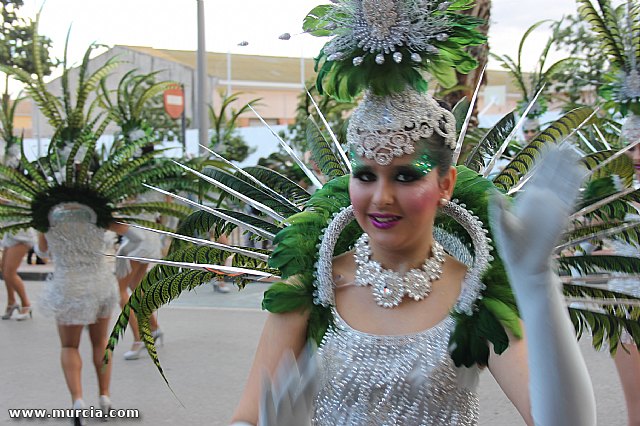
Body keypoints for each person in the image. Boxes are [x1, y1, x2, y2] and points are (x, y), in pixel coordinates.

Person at [35, 205, 145, 424]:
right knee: (100, 342)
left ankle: (77, 401)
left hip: (68, 286)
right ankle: (105, 397)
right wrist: (120, 256)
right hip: (100, 284)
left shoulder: (48, 212)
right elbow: (137, 238)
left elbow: (42, 252)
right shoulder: (96, 209)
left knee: (69, 346)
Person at [1, 230, 35, 320]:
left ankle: (26, 304)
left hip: (21, 235)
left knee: (9, 273)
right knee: (4, 270)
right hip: (10, 233)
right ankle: (11, 302)